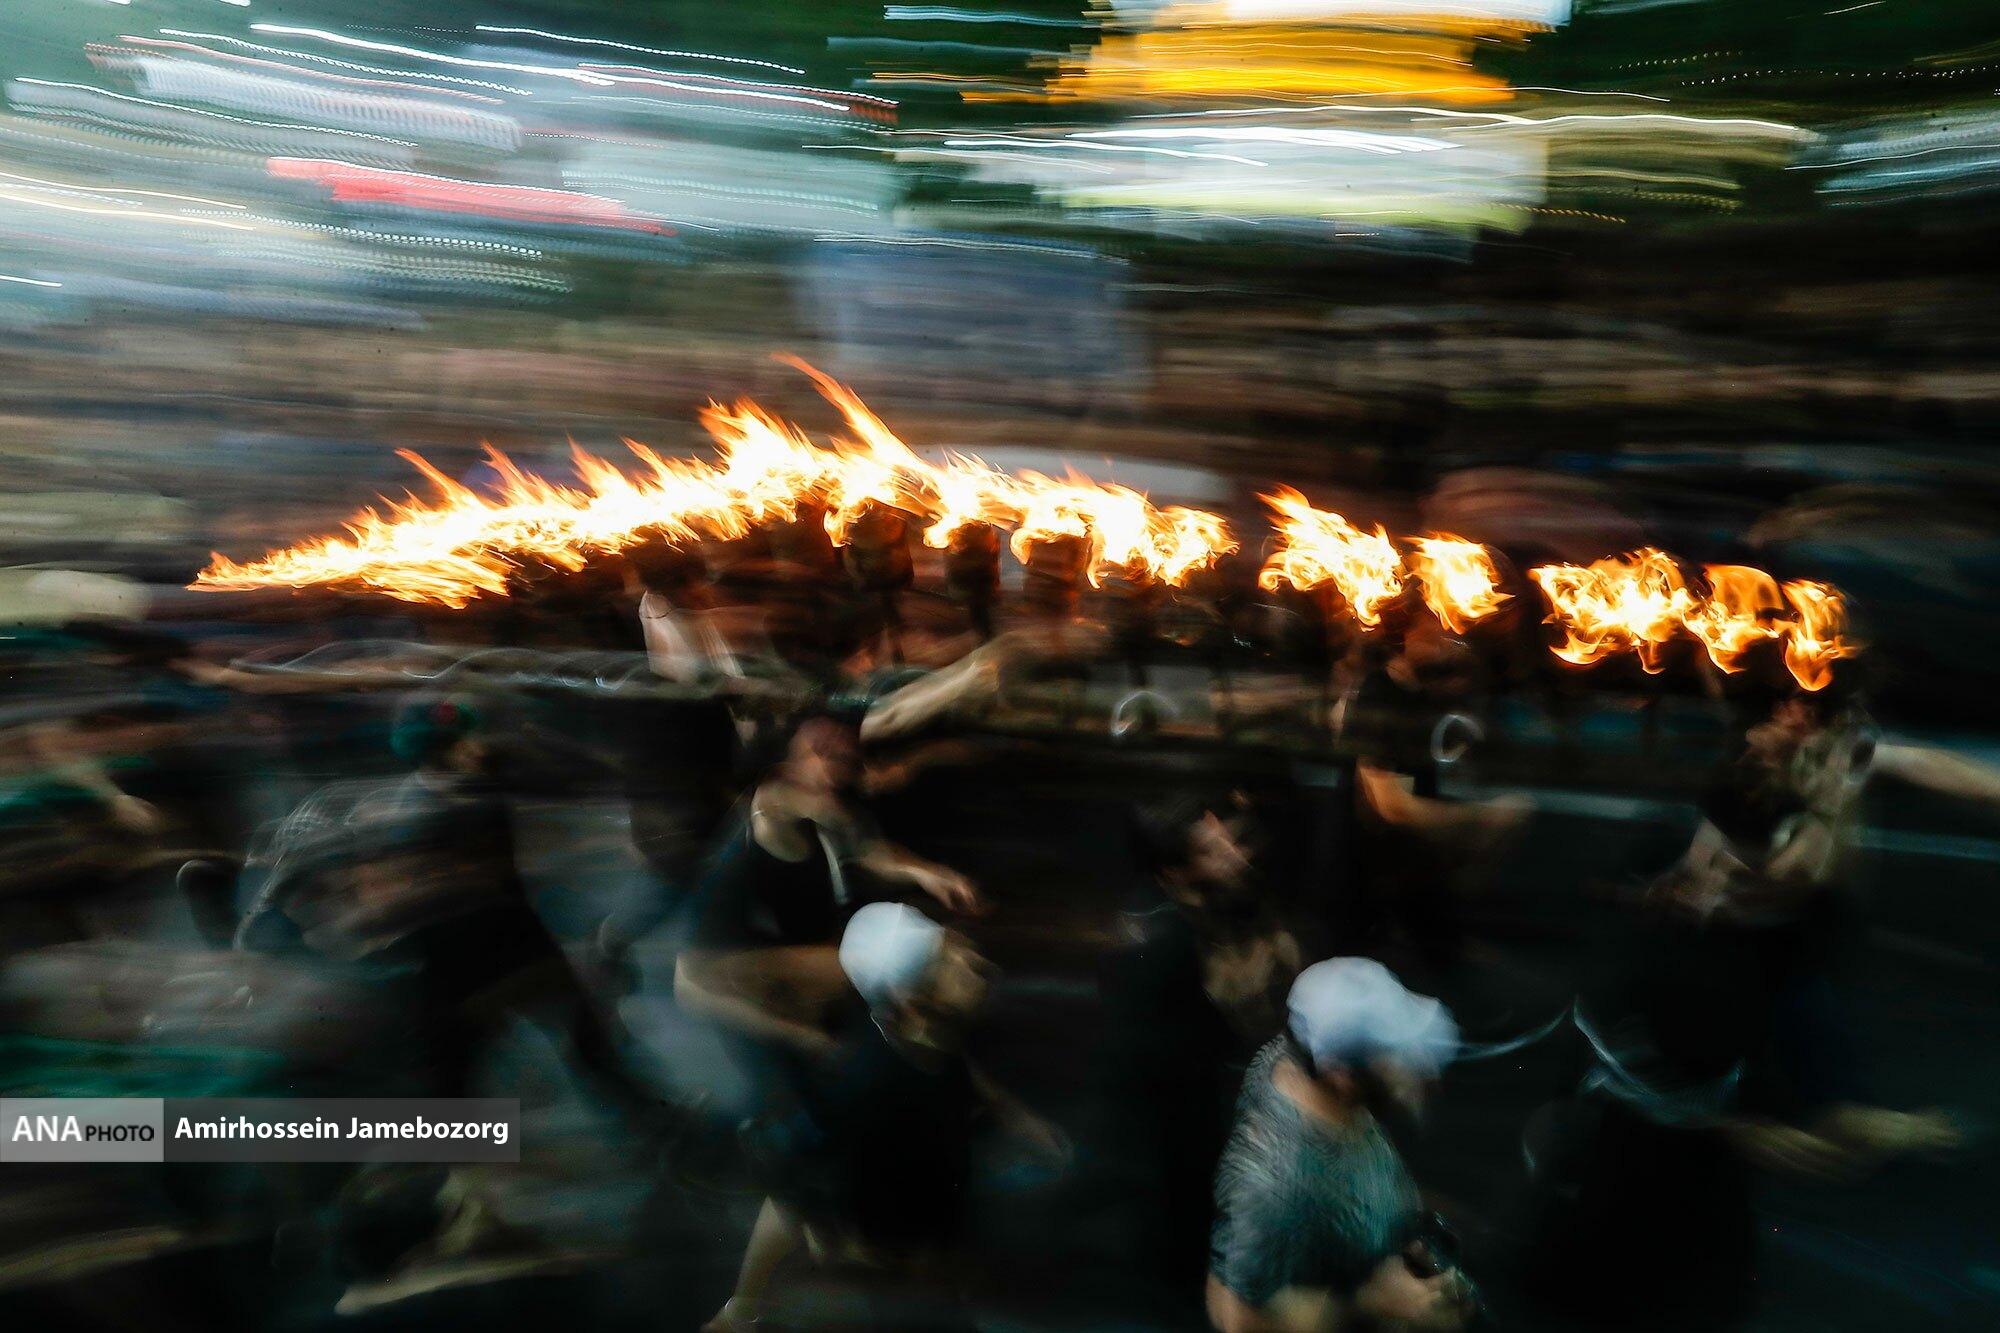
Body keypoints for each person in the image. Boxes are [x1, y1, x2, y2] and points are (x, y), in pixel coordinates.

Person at [704, 901, 1061, 1332]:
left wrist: (1014, 1114)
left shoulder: (928, 1032)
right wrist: (893, 1258)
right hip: (901, 1250)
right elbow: (805, 1200)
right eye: (947, 965)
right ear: (910, 1003)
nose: (975, 964)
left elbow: (956, 1064)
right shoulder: (868, 1091)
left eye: (956, 948)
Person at [675, 714, 982, 1060]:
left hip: (809, 965)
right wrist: (807, 1038)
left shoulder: (824, 810)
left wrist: (925, 872)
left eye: (844, 754)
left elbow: (866, 848)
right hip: (742, 984)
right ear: (786, 763)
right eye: (820, 750)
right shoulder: (771, 815)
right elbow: (693, 982)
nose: (836, 761)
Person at [1208, 958, 1474, 1333]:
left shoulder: (1291, 1055)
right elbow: (1235, 1316)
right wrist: (1371, 1301)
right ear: (1341, 1076)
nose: (1416, 1072)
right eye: (1396, 1062)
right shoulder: (1277, 1186)